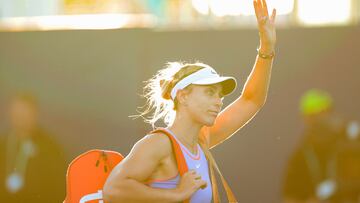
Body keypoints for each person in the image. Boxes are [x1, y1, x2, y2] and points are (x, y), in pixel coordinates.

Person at [103, 0, 277, 202]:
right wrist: (176, 194)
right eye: (210, 92)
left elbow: (251, 100)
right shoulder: (158, 143)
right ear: (183, 96)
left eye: (219, 95)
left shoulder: (202, 140)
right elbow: (113, 190)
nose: (219, 101)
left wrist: (267, 48)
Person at [282, 89, 360, 203]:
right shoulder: (301, 158)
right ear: (308, 120)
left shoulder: (350, 142)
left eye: (327, 113)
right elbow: (289, 198)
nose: (325, 119)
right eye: (317, 116)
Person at [0, 93, 67, 203]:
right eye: (17, 113)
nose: (20, 118)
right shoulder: (3, 144)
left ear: (34, 115)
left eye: (25, 114)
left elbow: (57, 184)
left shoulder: (49, 147)